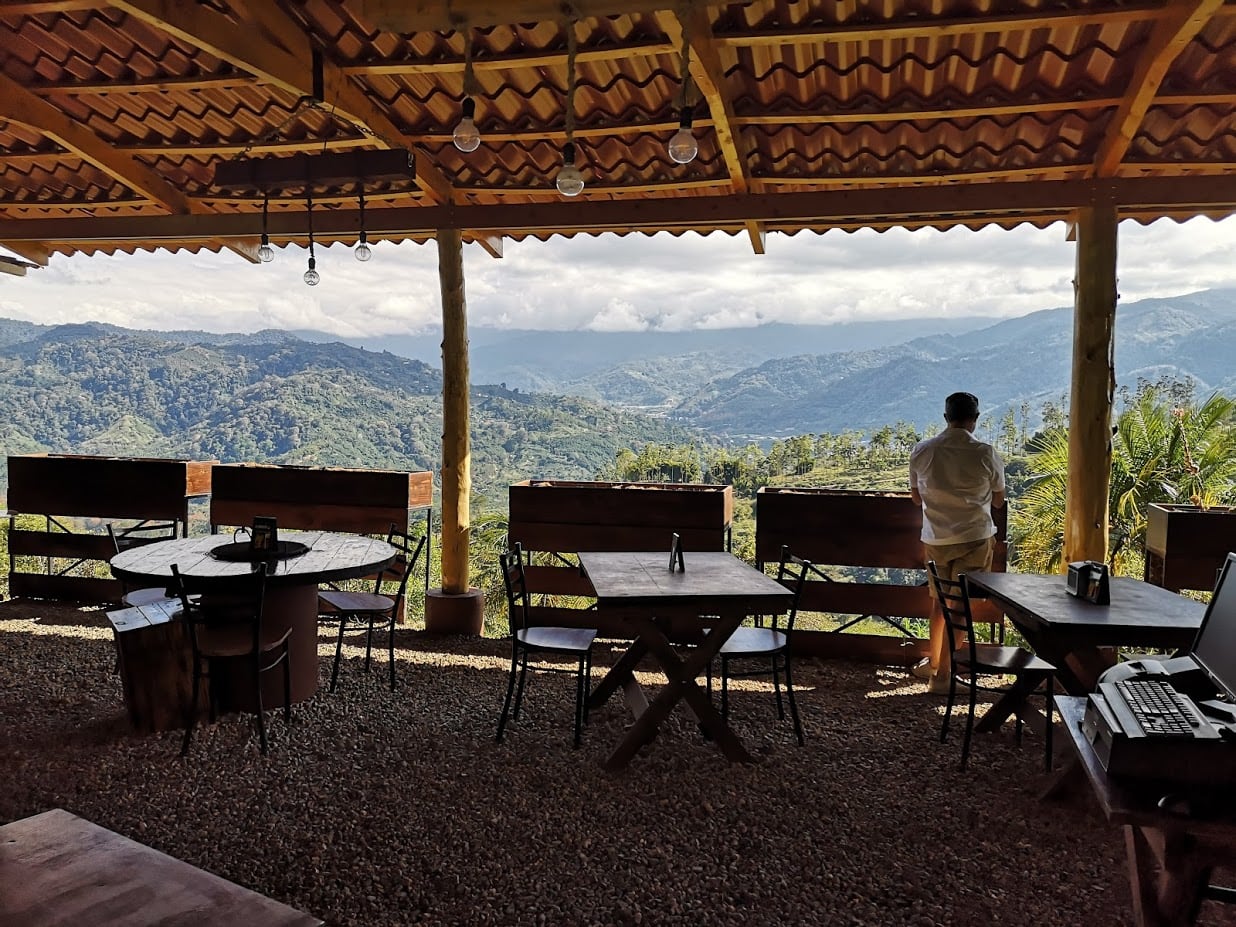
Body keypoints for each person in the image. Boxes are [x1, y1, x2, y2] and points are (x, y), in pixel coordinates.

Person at [908, 391, 1006, 694]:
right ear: (974, 420)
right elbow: (999, 501)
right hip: (974, 538)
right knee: (960, 607)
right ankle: (944, 676)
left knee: (939, 602)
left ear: (945, 418)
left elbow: (916, 498)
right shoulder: (985, 453)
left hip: (936, 538)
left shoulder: (922, 450)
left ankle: (934, 663)